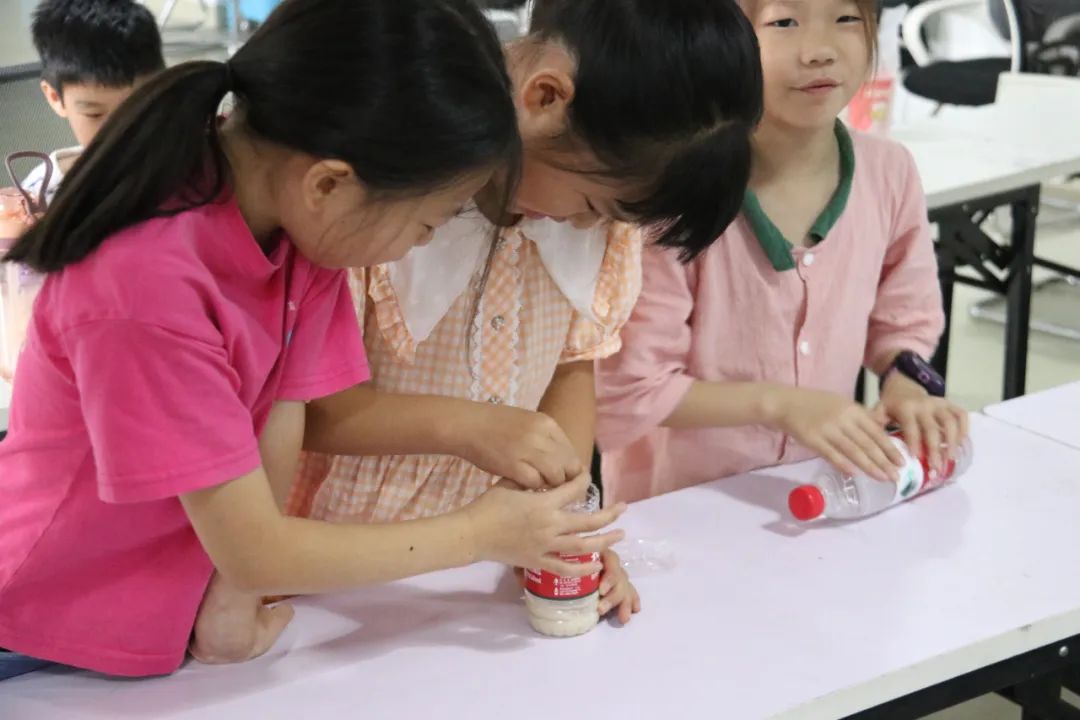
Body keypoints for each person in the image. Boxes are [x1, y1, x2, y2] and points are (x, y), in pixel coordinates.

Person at [0, 0, 624, 680]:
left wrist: (233, 605)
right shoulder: (146, 282)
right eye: (428, 223)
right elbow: (256, 549)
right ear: (329, 183)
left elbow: (280, 418)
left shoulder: (300, 234)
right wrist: (481, 534)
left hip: (163, 621)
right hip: (40, 622)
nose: (422, 244)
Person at [289, 0, 764, 626]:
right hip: (328, 567)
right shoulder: (383, 187)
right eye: (591, 203)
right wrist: (471, 428)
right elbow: (301, 411)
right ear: (544, 98)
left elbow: (571, 367)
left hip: (478, 570)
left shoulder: (596, 209)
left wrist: (560, 531)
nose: (589, 227)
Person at [595, 0, 970, 504]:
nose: (819, 52)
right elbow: (632, 389)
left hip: (818, 491)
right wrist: (781, 405)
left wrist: (907, 384)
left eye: (845, 19)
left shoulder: (890, 171)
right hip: (681, 507)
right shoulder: (675, 193)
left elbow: (905, 318)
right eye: (784, 22)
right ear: (724, 40)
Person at [23, 0, 166, 203]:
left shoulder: (193, 162)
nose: (121, 130)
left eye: (140, 108)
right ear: (55, 98)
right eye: (95, 114)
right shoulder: (44, 193)